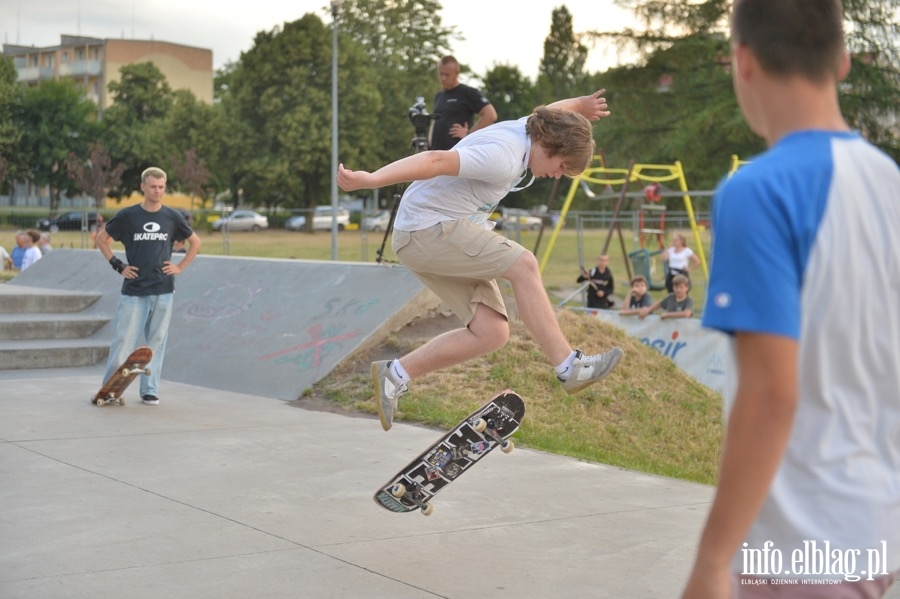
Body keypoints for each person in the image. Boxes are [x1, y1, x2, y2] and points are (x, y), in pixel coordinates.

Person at [681, 1, 900, 597]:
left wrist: (712, 561)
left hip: (798, 542)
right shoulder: (888, 182)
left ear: (743, 61)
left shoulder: (759, 190)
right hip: (875, 530)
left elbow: (771, 393)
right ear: (844, 60)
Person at [337, 89, 624, 431]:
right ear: (551, 147)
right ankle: (568, 367)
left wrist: (580, 106)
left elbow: (552, 113)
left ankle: (394, 374)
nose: (557, 175)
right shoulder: (502, 157)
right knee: (525, 265)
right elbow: (434, 160)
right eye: (561, 166)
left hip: (423, 236)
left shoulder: (529, 129)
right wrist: (371, 180)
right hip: (427, 231)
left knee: (492, 332)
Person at [96, 167, 201, 406]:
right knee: (123, 340)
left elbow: (195, 242)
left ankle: (149, 390)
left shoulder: (172, 216)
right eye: (153, 187)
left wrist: (180, 267)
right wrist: (118, 265)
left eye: (162, 187)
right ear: (143, 187)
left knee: (157, 342)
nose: (158, 191)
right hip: (134, 290)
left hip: (163, 289)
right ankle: (110, 388)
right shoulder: (128, 216)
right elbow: (102, 239)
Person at [430, 55, 498, 151]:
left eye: (447, 75)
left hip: (456, 153)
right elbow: (435, 122)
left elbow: (490, 115)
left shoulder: (468, 93)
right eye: (441, 74)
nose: (443, 78)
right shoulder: (439, 96)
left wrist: (470, 134)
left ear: (457, 73)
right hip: (435, 153)